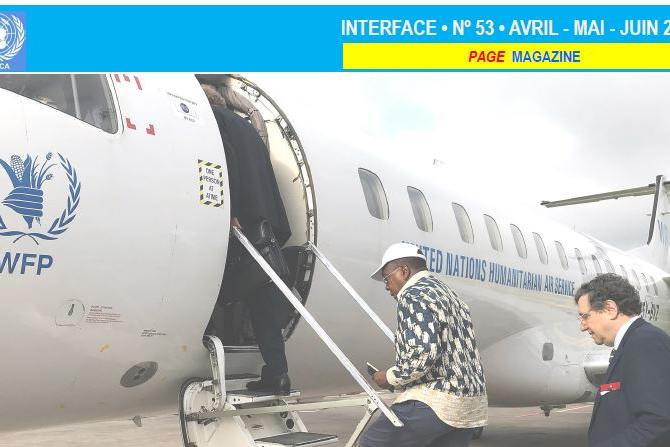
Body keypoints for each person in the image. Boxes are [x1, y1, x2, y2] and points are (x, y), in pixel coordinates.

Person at [202, 84, 293, 396]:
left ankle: (207, 339)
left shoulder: (217, 120)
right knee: (261, 299)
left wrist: (231, 210)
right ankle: (277, 373)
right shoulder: (249, 129)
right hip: (267, 221)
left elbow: (226, 163)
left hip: (243, 219)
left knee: (218, 282)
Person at [361, 242, 488, 447]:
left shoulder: (413, 295)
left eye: (387, 278)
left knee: (373, 443)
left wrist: (389, 377)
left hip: (438, 400)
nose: (387, 286)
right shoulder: (449, 294)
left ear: (403, 271)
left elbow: (423, 354)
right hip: (470, 404)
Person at [575, 273, 670, 447]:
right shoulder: (631, 342)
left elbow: (657, 421)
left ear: (610, 309)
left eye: (585, 316)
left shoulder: (645, 343)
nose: (583, 326)